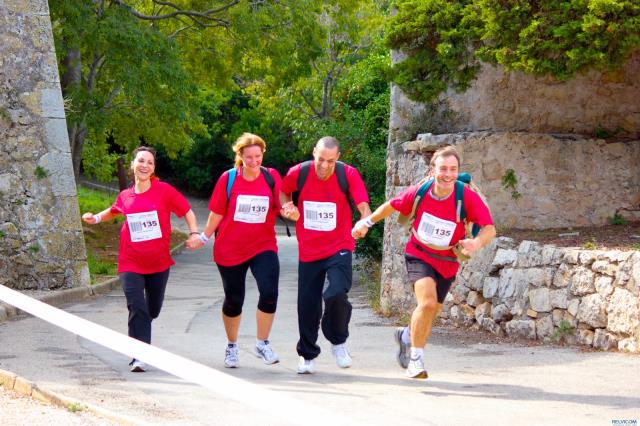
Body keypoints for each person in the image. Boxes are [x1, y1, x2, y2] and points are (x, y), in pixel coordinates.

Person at [351, 145, 495, 379]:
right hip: (419, 253)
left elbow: (489, 228)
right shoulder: (421, 192)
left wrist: (476, 243)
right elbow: (392, 205)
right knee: (427, 303)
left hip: (447, 260)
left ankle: (407, 336)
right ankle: (416, 359)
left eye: (453, 169)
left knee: (431, 311)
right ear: (433, 170)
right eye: (443, 168)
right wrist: (366, 223)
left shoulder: (465, 195)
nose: (448, 174)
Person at [82, 146, 201, 372]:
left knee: (151, 310)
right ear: (133, 165)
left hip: (158, 262)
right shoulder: (126, 195)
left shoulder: (164, 191)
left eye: (149, 162)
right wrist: (95, 218)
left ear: (153, 168)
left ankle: (138, 344)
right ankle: (139, 355)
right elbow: (115, 209)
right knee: (137, 307)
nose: (144, 165)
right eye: (140, 161)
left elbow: (187, 211)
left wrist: (194, 233)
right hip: (131, 262)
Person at [280, 136, 371, 374]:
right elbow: (283, 192)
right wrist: (288, 206)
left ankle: (338, 341)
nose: (324, 165)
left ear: (338, 158)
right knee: (307, 305)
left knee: (337, 292)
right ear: (314, 154)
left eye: (331, 161)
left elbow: (363, 205)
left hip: (339, 246)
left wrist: (364, 221)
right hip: (309, 249)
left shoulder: (347, 174)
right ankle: (307, 355)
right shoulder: (298, 173)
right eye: (321, 159)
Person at [194, 133, 283, 368]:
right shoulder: (229, 178)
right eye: (249, 157)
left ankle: (262, 342)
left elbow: (282, 204)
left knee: (270, 292)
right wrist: (203, 236)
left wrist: (290, 211)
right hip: (230, 248)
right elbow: (217, 213)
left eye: (258, 156)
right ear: (240, 157)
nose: (254, 161)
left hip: (262, 245)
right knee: (234, 300)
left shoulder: (271, 177)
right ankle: (232, 346)